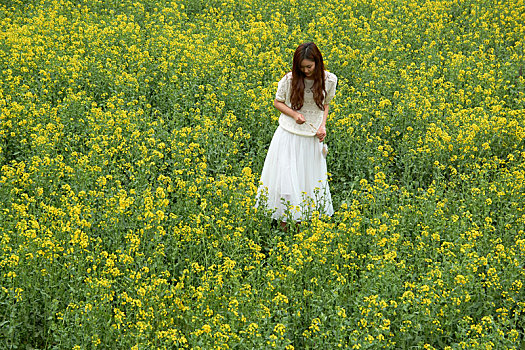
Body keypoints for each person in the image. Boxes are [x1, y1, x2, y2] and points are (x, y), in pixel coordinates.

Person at [255, 42, 337, 229]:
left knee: (307, 180)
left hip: (311, 137)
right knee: (287, 178)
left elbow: (326, 104)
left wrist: (323, 126)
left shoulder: (330, 80)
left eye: (309, 66)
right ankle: (284, 222)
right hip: (289, 135)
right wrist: (294, 114)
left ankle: (303, 222)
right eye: (301, 67)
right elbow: (278, 102)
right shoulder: (290, 79)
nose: (306, 71)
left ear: (318, 62)